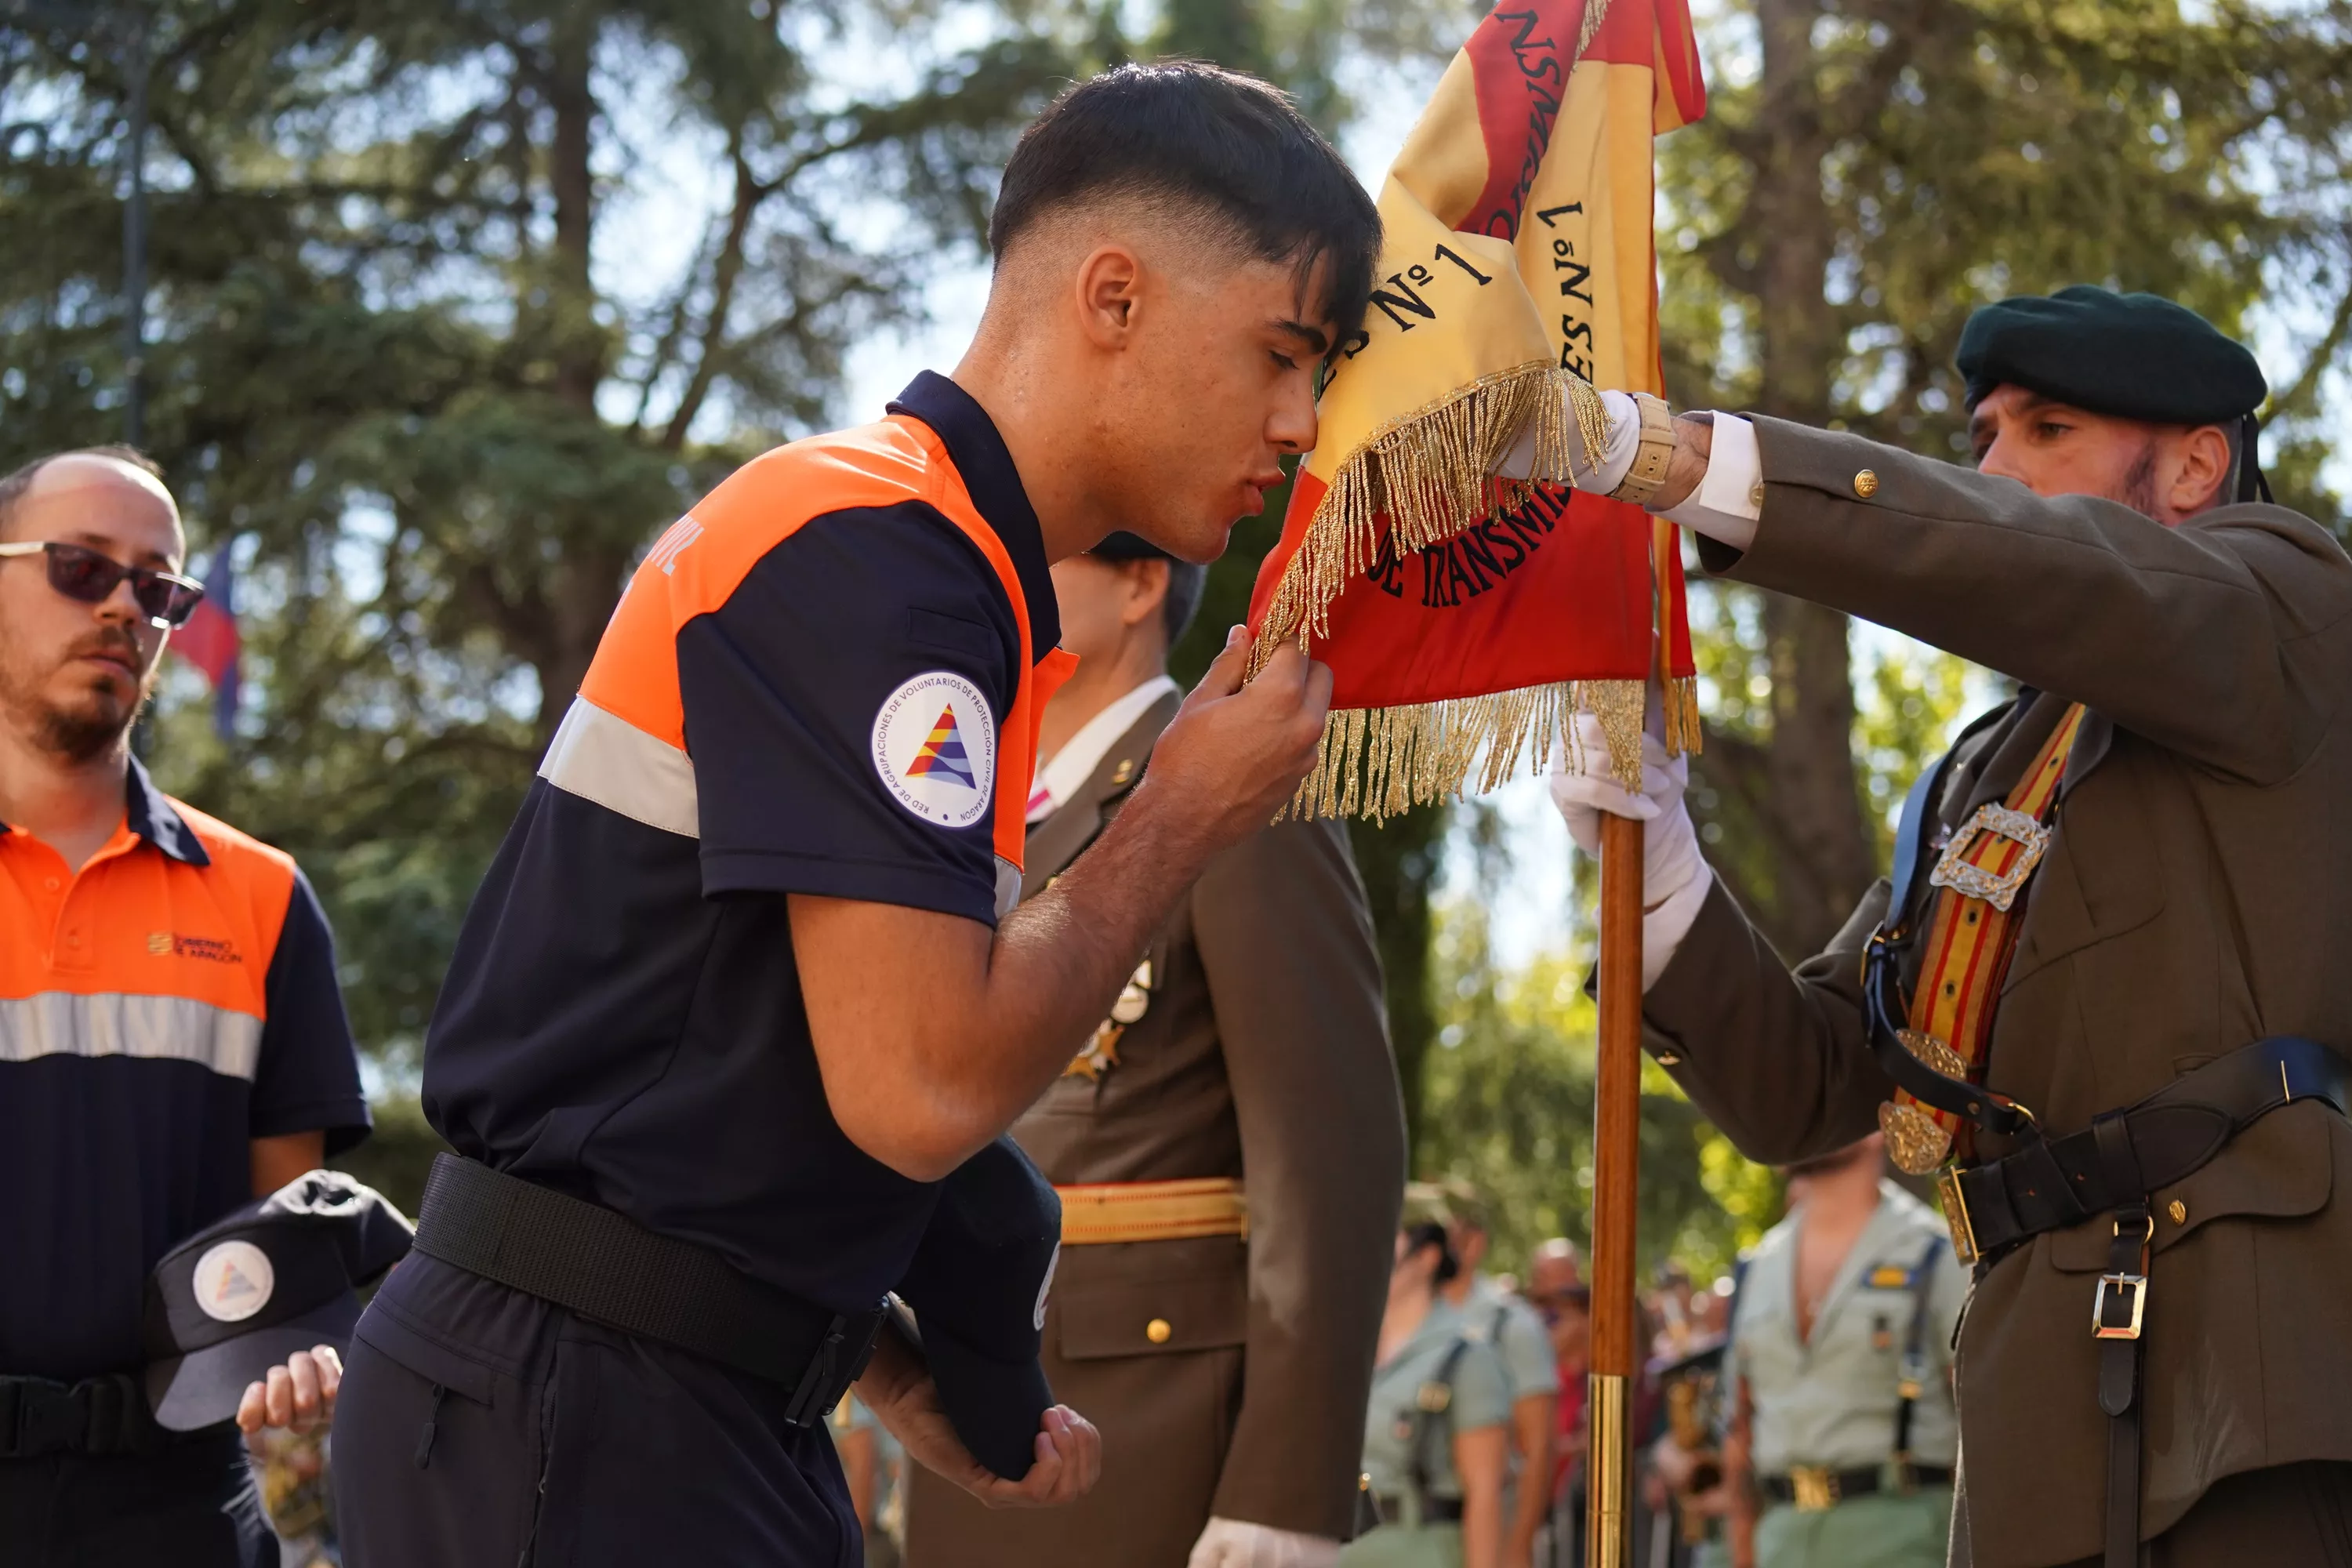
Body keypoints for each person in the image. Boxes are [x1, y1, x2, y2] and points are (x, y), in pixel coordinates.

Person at [331, 60, 1380, 1568]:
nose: (1300, 424)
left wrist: (882, 1361)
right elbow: (923, 1087)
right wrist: (1177, 815)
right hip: (583, 1416)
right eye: (1286, 351)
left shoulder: (926, 563)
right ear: (1114, 296)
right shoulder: (883, 559)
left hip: (664, 1398)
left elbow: (741, 1071)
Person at [1548, 285, 2352, 1566]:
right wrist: (1654, 866)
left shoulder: (2289, 600)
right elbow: (1806, 1090)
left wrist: (1679, 457)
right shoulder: (1988, 769)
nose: (1992, 469)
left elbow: (2040, 568)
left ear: (2199, 462)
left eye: (2047, 431)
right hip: (2044, 1423)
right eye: (1984, 437)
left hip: (2246, 1401)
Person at [904, 530, 1404, 1566]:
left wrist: (1287, 1491)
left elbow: (1328, 1146)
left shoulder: (1231, 777)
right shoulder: (991, 819)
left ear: (1140, 583)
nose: (994, 589)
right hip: (988, 1394)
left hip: (1160, 1419)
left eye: (1032, 558)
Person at [0, 447, 372, 1566]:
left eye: (159, 587)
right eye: (80, 567)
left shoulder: (261, 898)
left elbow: (283, 1257)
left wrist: (308, 1374)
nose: (124, 604)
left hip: (180, 1518)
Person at [1702, 1134, 1964, 1568]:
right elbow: (1739, 1436)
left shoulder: (1936, 1252)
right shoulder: (1755, 1268)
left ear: (1878, 1126)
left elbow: (1983, 1428)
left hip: (1905, 1540)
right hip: (1781, 1542)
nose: (1808, 1116)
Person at [1342, 1222, 1512, 1568]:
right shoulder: (1350, 1350)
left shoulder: (1466, 1356)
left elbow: (1485, 1493)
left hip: (1422, 1548)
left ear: (1426, 1257)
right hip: (1343, 1548)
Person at [1416, 1182, 1556, 1568]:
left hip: (1496, 1525)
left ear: (1474, 1242)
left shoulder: (1512, 1324)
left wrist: (1519, 1545)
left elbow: (1539, 1444)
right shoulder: (1409, 1317)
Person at [1523, 1241, 1587, 1568]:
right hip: (1532, 1477)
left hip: (1574, 1492)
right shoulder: (1522, 1325)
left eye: (1556, 1275)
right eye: (1541, 1276)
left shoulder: (1592, 1324)